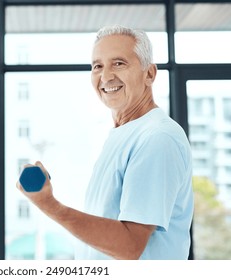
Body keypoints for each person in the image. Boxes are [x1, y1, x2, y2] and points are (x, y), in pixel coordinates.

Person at [16, 25, 194, 260]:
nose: (106, 76)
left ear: (149, 74)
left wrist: (50, 205)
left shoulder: (157, 138)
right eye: (97, 66)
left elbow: (130, 245)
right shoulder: (123, 135)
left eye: (119, 63)